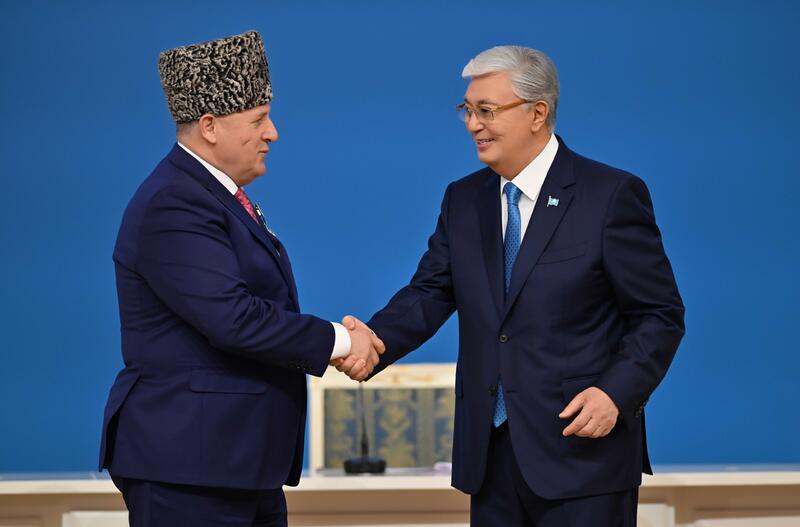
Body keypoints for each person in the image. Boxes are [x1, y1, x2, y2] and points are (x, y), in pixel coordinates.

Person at [336, 46, 685, 526]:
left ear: (537, 113)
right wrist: (373, 341)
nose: (472, 124)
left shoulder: (610, 195)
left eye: (486, 110)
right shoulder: (464, 199)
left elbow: (659, 315)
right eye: (467, 110)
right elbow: (429, 293)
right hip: (492, 458)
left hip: (583, 456)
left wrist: (614, 394)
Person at [99, 30, 383, 527]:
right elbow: (233, 318)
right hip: (190, 469)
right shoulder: (174, 202)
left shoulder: (211, 197)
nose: (273, 133)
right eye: (258, 120)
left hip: (234, 463)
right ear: (210, 126)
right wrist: (341, 341)